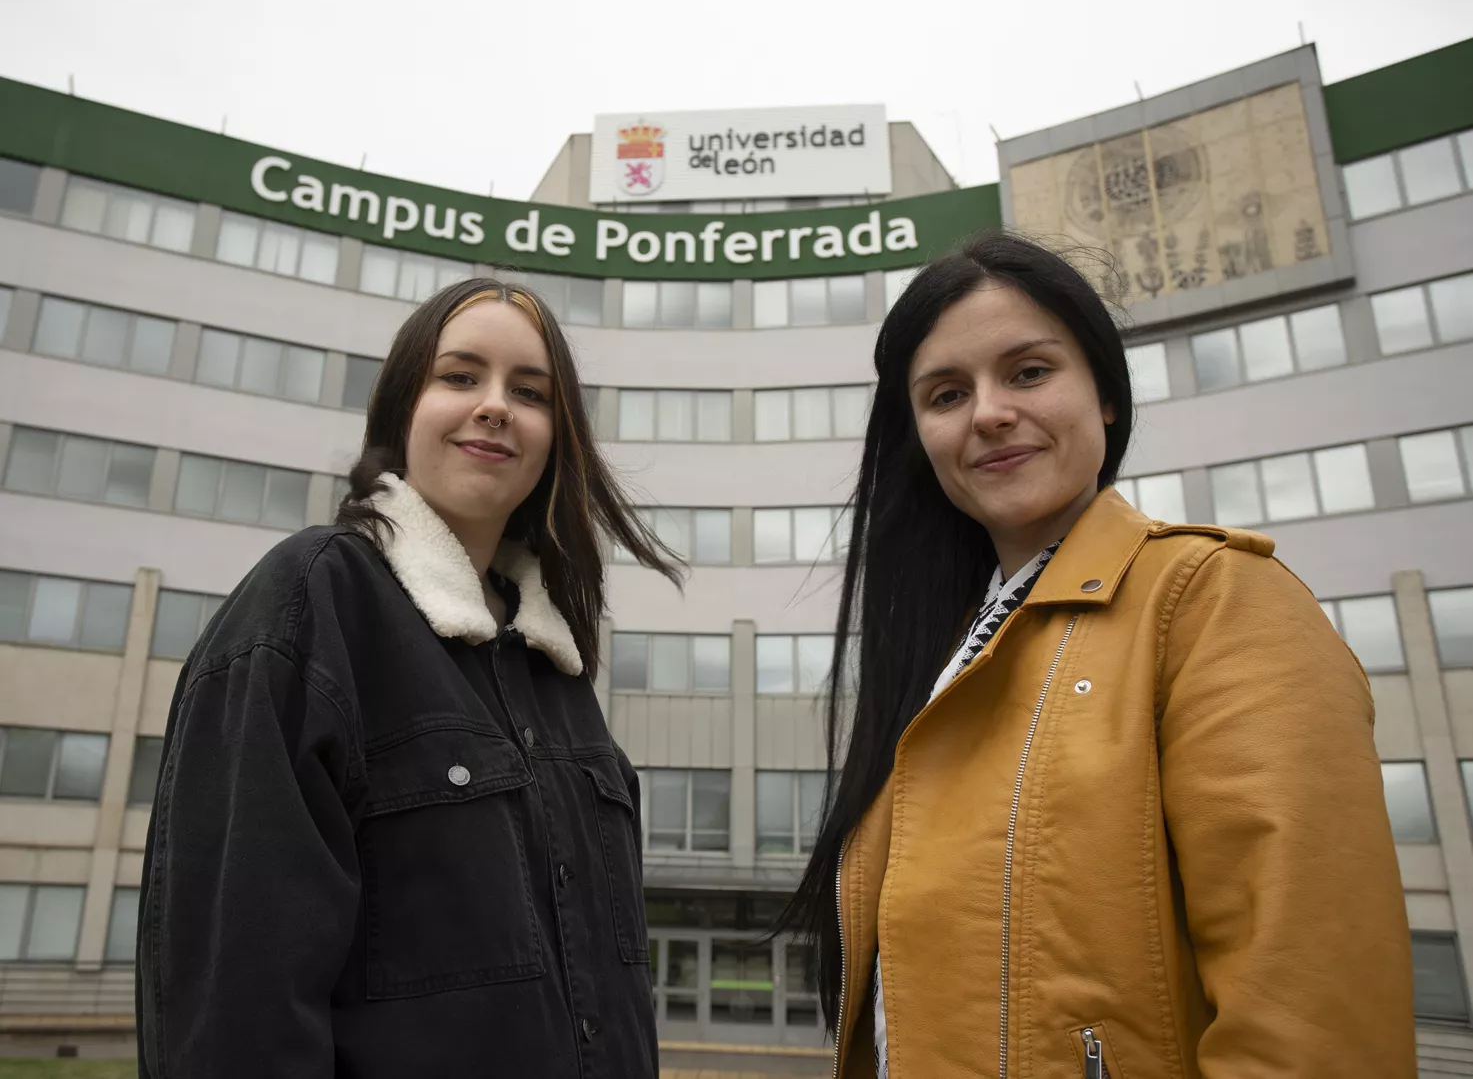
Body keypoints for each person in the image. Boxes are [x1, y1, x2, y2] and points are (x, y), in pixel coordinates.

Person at [783, 233, 1416, 1077]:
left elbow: (1313, 1014)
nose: (988, 412)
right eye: (944, 394)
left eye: (1029, 372)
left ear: (1105, 394)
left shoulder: (1211, 598)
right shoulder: (939, 660)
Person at [136, 279, 678, 1078]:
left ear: (555, 438)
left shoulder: (553, 666)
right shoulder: (313, 599)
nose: (495, 406)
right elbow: (233, 1003)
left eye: (529, 392)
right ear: (401, 411)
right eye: (459, 377)